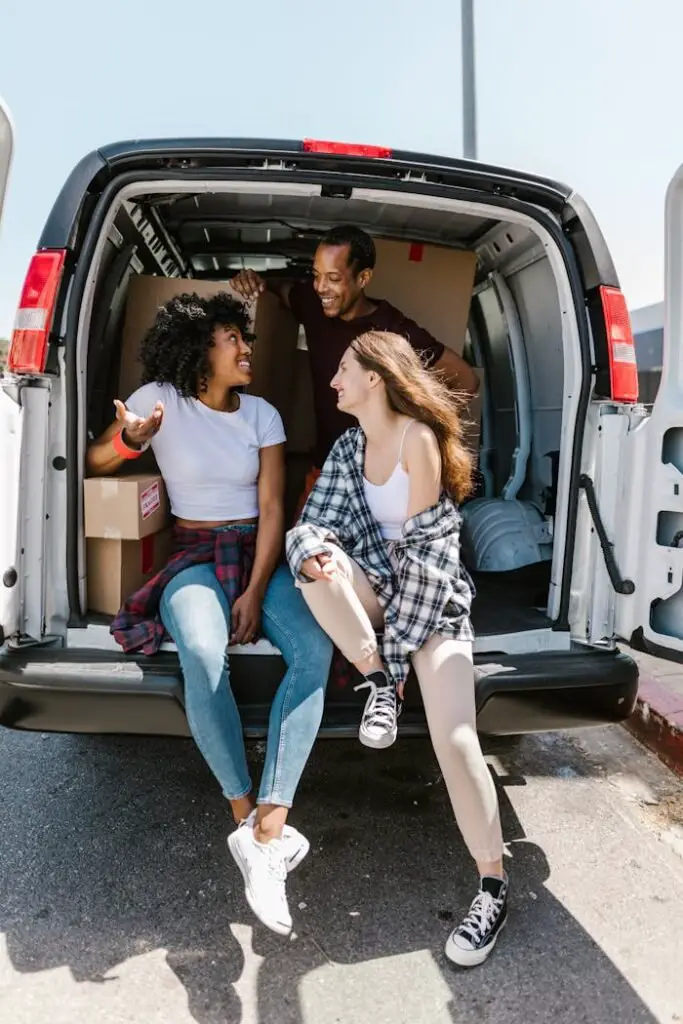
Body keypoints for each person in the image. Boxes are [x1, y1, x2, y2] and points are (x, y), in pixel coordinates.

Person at [86, 292, 334, 938]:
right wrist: (130, 439)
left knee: (313, 648)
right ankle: (244, 818)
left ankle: (271, 827)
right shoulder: (158, 399)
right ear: (201, 351)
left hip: (258, 552)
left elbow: (274, 507)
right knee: (200, 650)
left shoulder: (262, 414)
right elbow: (94, 460)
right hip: (193, 553)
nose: (247, 349)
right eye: (234, 340)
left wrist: (255, 591)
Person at [285, 330, 507, 967]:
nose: (333, 383)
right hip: (375, 596)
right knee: (312, 561)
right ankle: (376, 683)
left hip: (432, 602)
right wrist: (323, 554)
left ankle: (492, 885)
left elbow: (430, 561)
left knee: (456, 739)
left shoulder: (419, 440)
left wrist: (407, 643)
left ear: (376, 377)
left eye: (343, 371)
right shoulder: (347, 446)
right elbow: (312, 521)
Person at [231, 225, 479, 514]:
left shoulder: (394, 330)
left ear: (363, 278)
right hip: (324, 468)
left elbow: (466, 379)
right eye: (316, 275)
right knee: (301, 548)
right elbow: (280, 289)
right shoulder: (312, 304)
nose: (321, 287)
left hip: (375, 478)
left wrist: (416, 428)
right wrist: (252, 280)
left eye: (333, 278)